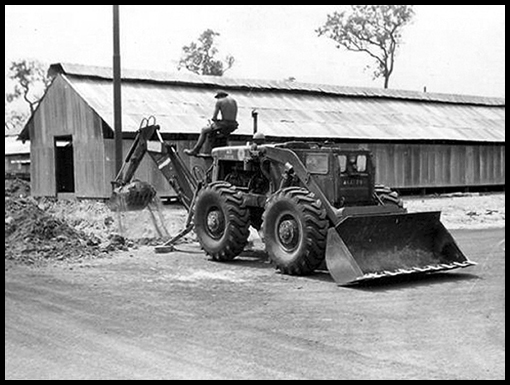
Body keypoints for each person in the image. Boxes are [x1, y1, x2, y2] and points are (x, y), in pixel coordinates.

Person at [184, 90, 238, 156]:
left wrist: (215, 120)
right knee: (221, 133)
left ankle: (195, 150)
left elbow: (214, 117)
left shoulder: (219, 101)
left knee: (204, 130)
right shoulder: (233, 101)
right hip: (233, 125)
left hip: (224, 124)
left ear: (219, 96)